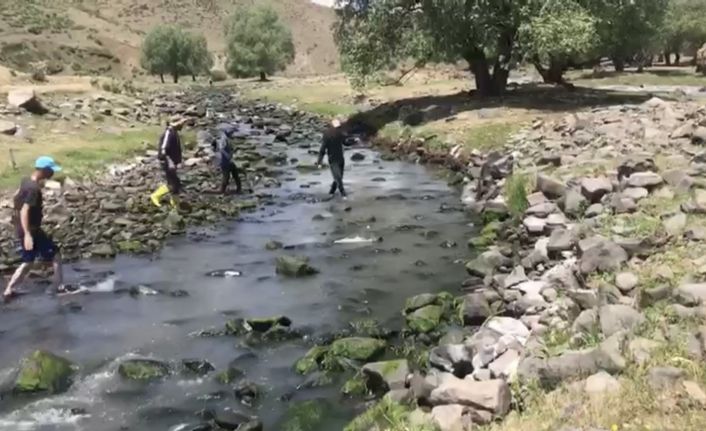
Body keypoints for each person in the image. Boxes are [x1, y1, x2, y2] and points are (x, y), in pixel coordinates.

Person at [3, 156, 64, 301]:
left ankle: (8, 290)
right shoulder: (34, 189)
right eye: (51, 170)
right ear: (44, 170)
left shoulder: (26, 181)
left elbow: (16, 196)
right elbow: (25, 210)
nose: (52, 174)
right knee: (55, 255)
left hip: (24, 227)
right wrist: (28, 235)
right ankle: (57, 287)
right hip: (31, 230)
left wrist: (15, 217)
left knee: (28, 262)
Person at [151, 117, 187, 209]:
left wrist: (178, 161)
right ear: (175, 123)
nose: (183, 126)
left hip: (172, 161)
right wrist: (170, 162)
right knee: (173, 184)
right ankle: (155, 196)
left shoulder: (174, 132)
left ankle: (175, 204)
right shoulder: (169, 133)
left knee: (176, 183)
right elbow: (163, 149)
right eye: (182, 123)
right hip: (166, 161)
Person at [317, 118, 347, 198]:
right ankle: (343, 194)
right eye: (337, 127)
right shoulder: (327, 135)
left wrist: (354, 141)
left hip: (340, 158)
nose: (338, 129)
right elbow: (323, 149)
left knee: (338, 177)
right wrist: (319, 162)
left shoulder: (340, 134)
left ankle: (331, 192)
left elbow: (345, 143)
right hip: (333, 159)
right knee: (338, 178)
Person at [212, 130, 243, 195]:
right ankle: (222, 190)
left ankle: (239, 189)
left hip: (230, 161)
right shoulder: (224, 140)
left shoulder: (227, 140)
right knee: (226, 177)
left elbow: (229, 149)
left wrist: (232, 152)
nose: (232, 134)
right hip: (225, 162)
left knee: (235, 175)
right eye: (231, 133)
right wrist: (227, 155)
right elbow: (221, 149)